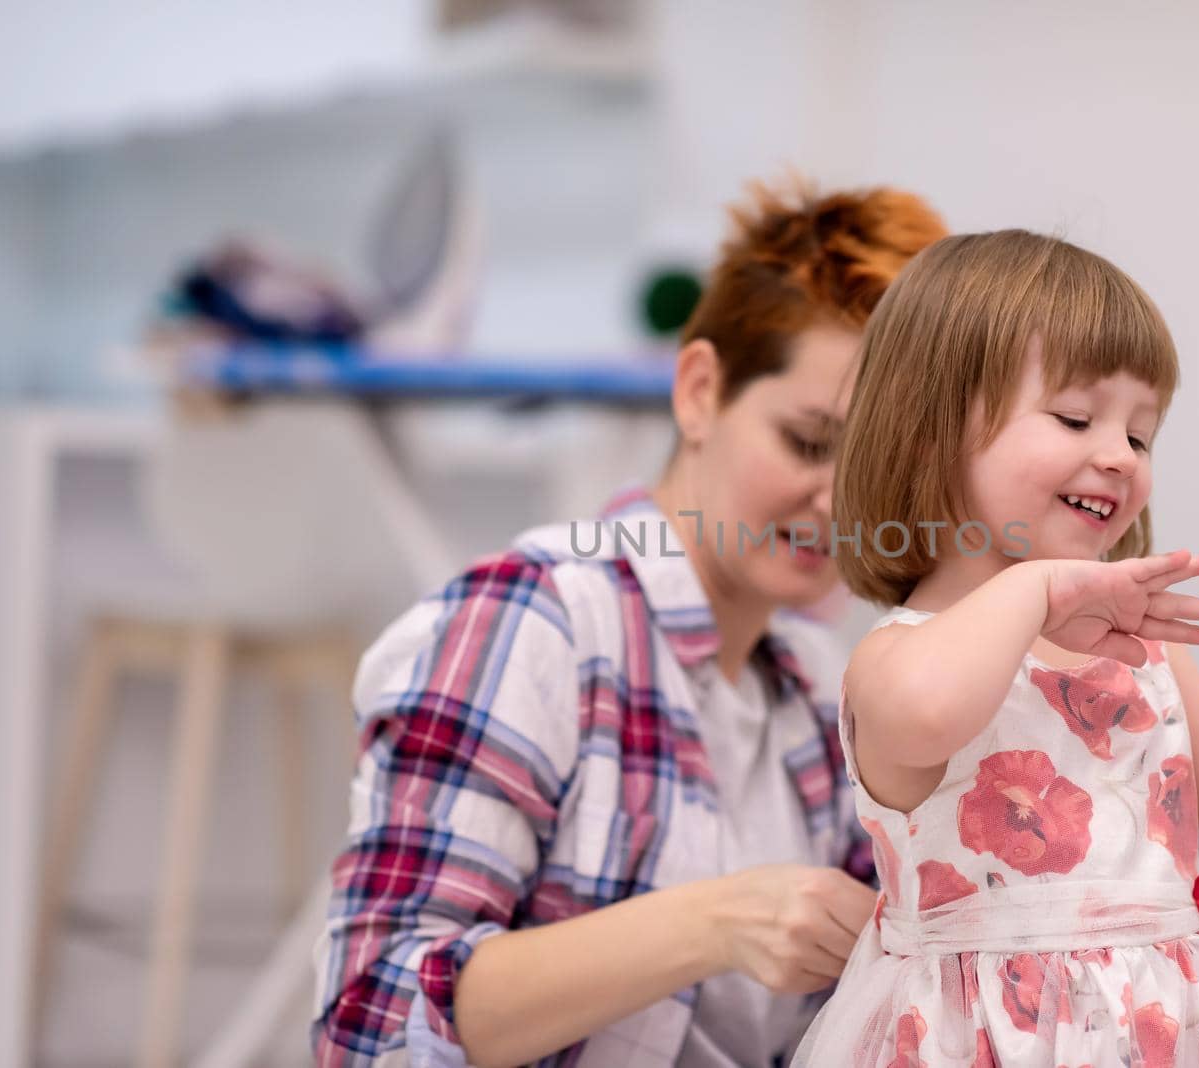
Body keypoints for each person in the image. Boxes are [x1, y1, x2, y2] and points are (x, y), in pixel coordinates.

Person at [310, 180, 947, 1067]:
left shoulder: (809, 684)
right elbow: (371, 1024)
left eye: (878, 461)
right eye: (807, 442)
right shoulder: (529, 629)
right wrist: (713, 922)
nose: (842, 499)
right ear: (697, 392)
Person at [792, 230, 1199, 1066]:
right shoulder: (899, 655)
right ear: (930, 427)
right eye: (1077, 417)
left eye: (1141, 436)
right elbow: (927, 716)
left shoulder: (1141, 652)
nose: (1118, 456)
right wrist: (1037, 587)